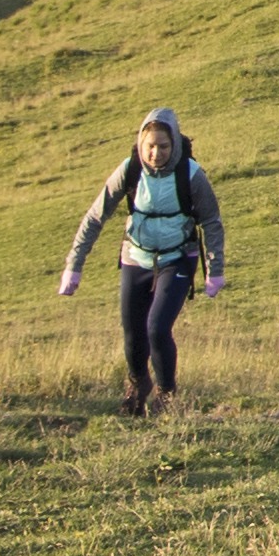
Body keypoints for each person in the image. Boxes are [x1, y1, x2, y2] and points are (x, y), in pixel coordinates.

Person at [54, 107, 228, 416]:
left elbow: (211, 222)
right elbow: (95, 217)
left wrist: (214, 271)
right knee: (133, 333)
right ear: (140, 144)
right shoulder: (129, 170)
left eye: (163, 146)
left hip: (178, 258)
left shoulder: (191, 175)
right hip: (136, 257)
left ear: (174, 143)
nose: (156, 153)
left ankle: (166, 393)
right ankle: (137, 386)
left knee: (157, 328)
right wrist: (74, 265)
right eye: (150, 146)